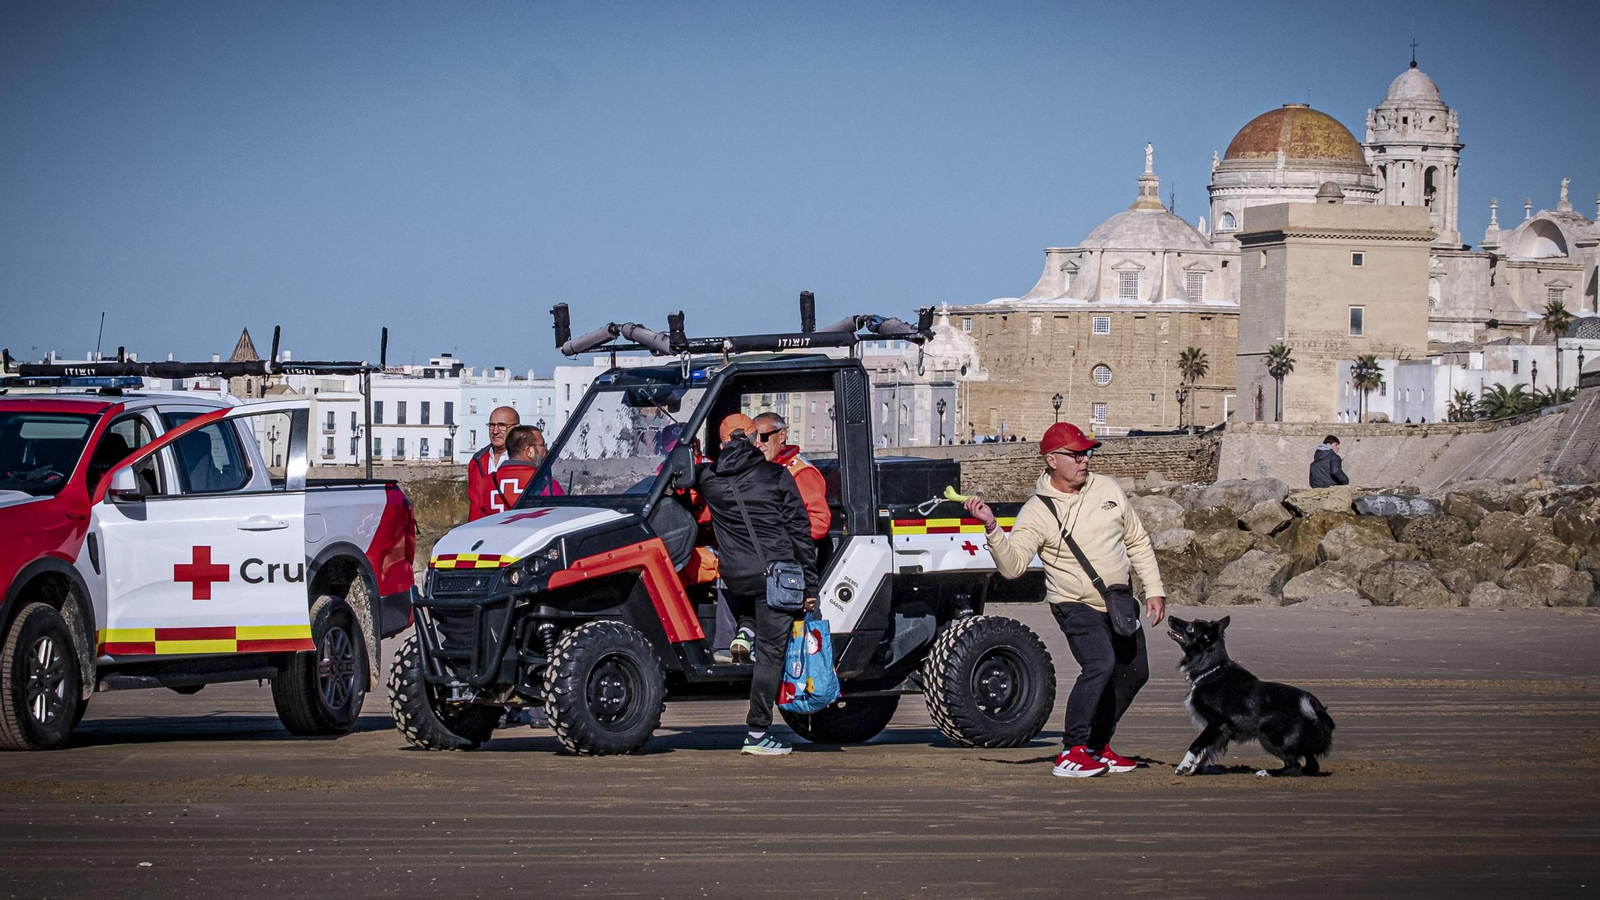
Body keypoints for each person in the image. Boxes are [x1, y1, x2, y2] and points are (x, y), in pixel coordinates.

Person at [964, 422, 1166, 778]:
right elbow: (1013, 568)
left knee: (1134, 673)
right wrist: (992, 527)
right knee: (1100, 664)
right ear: (1052, 460)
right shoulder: (1037, 510)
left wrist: (1154, 589)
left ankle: (1097, 747)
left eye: (1087, 452)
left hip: (1119, 601)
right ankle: (1072, 751)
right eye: (1075, 454)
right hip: (1074, 603)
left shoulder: (1107, 488)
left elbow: (1137, 541)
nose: (1084, 460)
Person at [697, 413, 819, 756]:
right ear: (754, 439)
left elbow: (682, 473)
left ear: (722, 444)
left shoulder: (709, 479)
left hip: (735, 577)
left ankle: (744, 631)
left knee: (752, 607)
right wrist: (810, 587)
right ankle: (757, 733)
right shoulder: (776, 475)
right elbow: (800, 533)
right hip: (777, 575)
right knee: (771, 656)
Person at [751, 412, 831, 540]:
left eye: (764, 437)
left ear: (782, 436)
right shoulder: (764, 467)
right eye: (754, 438)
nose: (758, 444)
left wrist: (778, 538)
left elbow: (819, 522)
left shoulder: (801, 471)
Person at [487, 425, 561, 513]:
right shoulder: (545, 482)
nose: (546, 450)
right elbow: (561, 515)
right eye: (542, 445)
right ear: (529, 451)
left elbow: (475, 520)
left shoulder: (486, 482)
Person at [468, 406, 520, 521]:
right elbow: (475, 504)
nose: (495, 431)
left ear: (516, 428)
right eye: (492, 425)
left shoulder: (523, 462)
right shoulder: (477, 461)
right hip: (481, 529)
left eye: (502, 426)